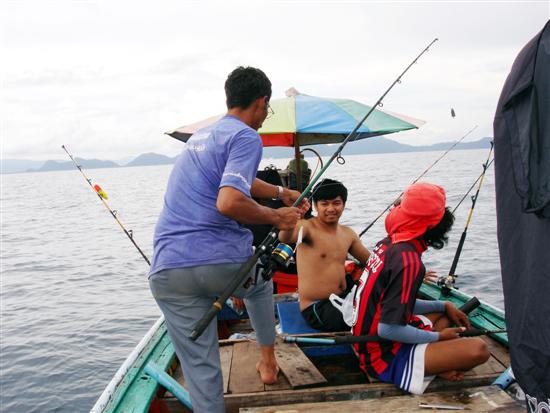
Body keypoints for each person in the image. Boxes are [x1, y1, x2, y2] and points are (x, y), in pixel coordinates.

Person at [148, 66, 308, 413]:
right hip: (220, 263)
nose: (266, 115)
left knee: (202, 372)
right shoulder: (246, 136)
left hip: (167, 270)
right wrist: (277, 216)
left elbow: (237, 183)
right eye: (268, 108)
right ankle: (268, 363)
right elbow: (229, 201)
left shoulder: (201, 138)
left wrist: (281, 192)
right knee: (261, 283)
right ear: (261, 103)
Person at [352, 182, 490, 394]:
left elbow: (392, 303)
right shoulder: (408, 262)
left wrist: (443, 304)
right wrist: (439, 338)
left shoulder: (388, 244)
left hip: (365, 343)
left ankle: (434, 361)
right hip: (381, 355)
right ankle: (432, 365)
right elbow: (387, 328)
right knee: (479, 349)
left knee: (443, 314)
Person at [279, 178, 371, 332]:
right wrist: (291, 221)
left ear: (344, 204)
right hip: (317, 308)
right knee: (371, 318)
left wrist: (412, 273)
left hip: (345, 299)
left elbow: (372, 261)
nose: (330, 208)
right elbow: (285, 237)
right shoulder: (307, 227)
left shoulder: (348, 234)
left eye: (336, 203)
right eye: (324, 203)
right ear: (315, 205)